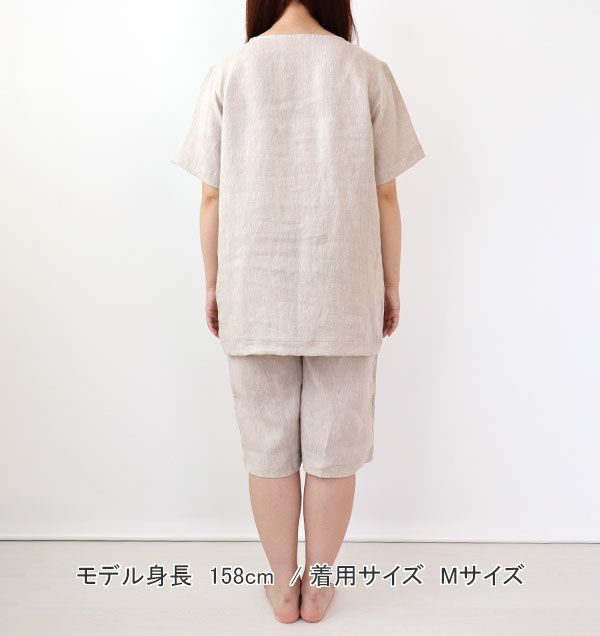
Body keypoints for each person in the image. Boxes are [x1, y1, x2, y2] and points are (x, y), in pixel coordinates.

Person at [172, 0, 425, 624]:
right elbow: (386, 194)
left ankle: (284, 589)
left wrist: (213, 282)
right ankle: (320, 588)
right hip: (345, 290)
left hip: (254, 290)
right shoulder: (366, 72)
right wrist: (390, 283)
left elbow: (211, 197)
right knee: (335, 451)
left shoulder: (230, 73)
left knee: (269, 450)